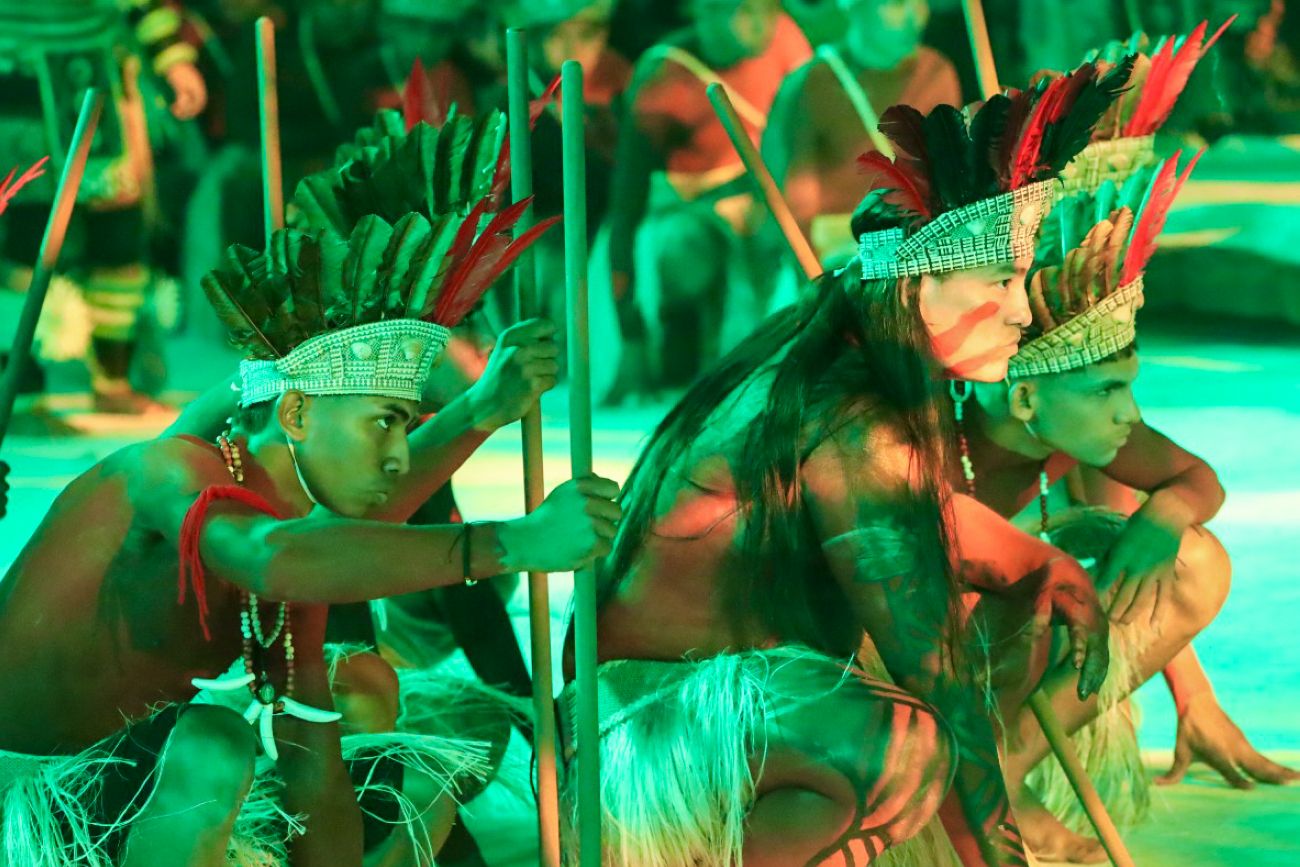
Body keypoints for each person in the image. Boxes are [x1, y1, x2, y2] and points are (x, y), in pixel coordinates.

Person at [561, 63, 1129, 866]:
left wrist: (1047, 564)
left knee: (1012, 614)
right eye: (1000, 279)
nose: (1019, 309)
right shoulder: (851, 417)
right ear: (917, 285)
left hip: (717, 704)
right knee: (905, 746)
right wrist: (999, 856)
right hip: (641, 729)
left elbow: (927, 522)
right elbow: (936, 674)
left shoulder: (849, 354)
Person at [0, 169, 621, 863]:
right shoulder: (167, 474)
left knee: (412, 774)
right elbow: (276, 554)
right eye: (384, 422)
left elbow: (311, 769)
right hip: (23, 796)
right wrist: (513, 541)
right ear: (295, 414)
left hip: (116, 797)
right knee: (215, 743)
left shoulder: (296, 568)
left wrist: (480, 412)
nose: (397, 455)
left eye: (405, 426)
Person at [0, 0, 207, 412]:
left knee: (116, 237)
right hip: (15, 76)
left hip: (95, 74)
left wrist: (173, 60)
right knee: (25, 242)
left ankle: (113, 382)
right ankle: (16, 391)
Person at [604, 0, 810, 398]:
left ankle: (765, 369)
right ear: (705, 11)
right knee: (684, 250)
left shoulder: (787, 40)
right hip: (688, 220)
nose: (763, 23)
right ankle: (681, 355)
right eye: (745, 10)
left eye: (769, 8)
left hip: (768, 208)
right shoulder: (663, 77)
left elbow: (806, 143)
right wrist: (630, 331)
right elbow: (626, 206)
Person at [764, 0, 961, 264]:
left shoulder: (937, 71)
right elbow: (793, 209)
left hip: (918, 246)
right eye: (897, 3)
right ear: (852, 6)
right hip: (844, 259)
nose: (916, 16)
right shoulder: (808, 86)